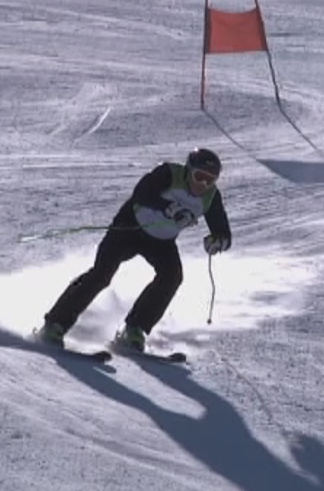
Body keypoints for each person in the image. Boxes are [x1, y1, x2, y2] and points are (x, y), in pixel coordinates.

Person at [38, 147, 232, 352]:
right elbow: (142, 194)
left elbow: (223, 231)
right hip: (128, 228)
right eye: (199, 176)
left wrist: (218, 242)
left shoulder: (211, 197)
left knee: (172, 277)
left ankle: (135, 328)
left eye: (209, 180)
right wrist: (170, 208)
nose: (202, 184)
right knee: (102, 274)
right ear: (188, 170)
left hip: (161, 242)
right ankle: (55, 324)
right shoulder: (168, 173)